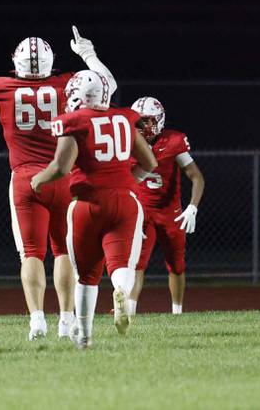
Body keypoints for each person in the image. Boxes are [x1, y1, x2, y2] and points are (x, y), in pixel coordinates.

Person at [0, 27, 118, 340]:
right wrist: (88, 55)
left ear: (17, 61)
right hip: (66, 176)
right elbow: (108, 84)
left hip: (27, 179)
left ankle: (37, 319)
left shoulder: (1, 87)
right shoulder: (67, 85)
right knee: (65, 252)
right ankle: (67, 320)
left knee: (31, 253)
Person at [31, 70, 157, 349]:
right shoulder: (125, 117)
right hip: (125, 202)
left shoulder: (73, 122)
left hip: (87, 204)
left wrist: (38, 179)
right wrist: (126, 183)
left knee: (87, 275)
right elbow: (149, 162)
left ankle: (84, 336)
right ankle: (121, 291)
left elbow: (61, 167)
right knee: (121, 264)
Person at [129, 96, 205, 315]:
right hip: (141, 210)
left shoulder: (173, 142)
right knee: (136, 263)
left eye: (148, 121)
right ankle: (130, 311)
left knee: (176, 264)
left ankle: (177, 312)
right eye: (139, 121)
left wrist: (192, 207)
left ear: (160, 120)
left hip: (169, 211)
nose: (143, 126)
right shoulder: (128, 143)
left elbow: (196, 176)